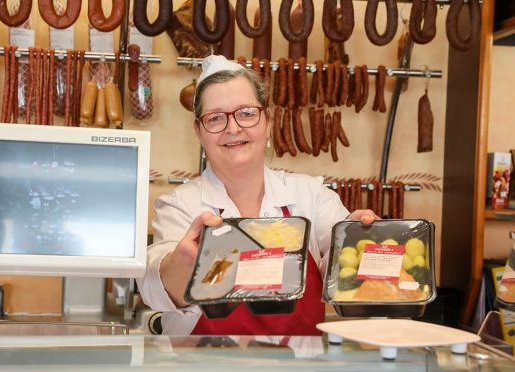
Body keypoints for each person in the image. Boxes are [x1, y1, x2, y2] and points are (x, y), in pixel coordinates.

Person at [138, 55, 378, 336]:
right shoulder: (180, 206)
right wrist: (182, 263)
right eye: (215, 118)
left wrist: (357, 240)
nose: (233, 128)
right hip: (206, 363)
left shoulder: (311, 196)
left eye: (246, 113)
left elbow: (339, 275)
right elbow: (155, 289)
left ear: (268, 121)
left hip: (300, 364)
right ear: (199, 132)